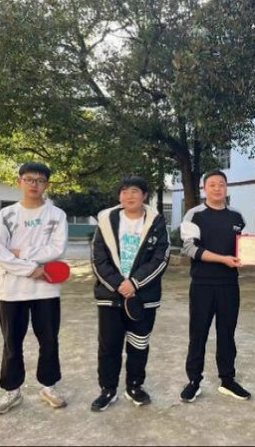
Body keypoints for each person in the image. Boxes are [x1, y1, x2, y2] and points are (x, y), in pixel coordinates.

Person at [0, 162, 68, 415]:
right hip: (11, 290)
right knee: (12, 342)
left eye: (40, 180)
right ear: (19, 182)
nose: (35, 184)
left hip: (46, 291)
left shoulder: (57, 215)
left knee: (49, 341)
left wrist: (21, 253)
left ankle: (49, 387)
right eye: (29, 179)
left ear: (47, 185)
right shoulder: (6, 215)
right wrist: (31, 270)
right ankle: (12, 391)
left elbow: (57, 249)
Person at [90, 176, 170, 411]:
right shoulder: (106, 221)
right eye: (124, 192)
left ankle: (134, 386)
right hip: (111, 296)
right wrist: (118, 284)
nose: (129, 196)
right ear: (119, 196)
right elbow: (98, 258)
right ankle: (108, 389)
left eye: (134, 191)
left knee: (139, 344)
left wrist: (135, 283)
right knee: (109, 346)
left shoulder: (157, 222)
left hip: (144, 297)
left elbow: (161, 258)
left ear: (144, 195)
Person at [179, 170, 251, 403]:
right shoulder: (194, 214)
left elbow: (243, 247)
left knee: (227, 334)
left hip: (229, 284)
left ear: (227, 188)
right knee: (198, 333)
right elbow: (190, 248)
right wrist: (222, 259)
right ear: (205, 188)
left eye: (221, 184)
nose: (217, 188)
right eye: (212, 185)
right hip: (202, 284)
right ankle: (194, 381)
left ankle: (227, 380)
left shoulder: (237, 216)